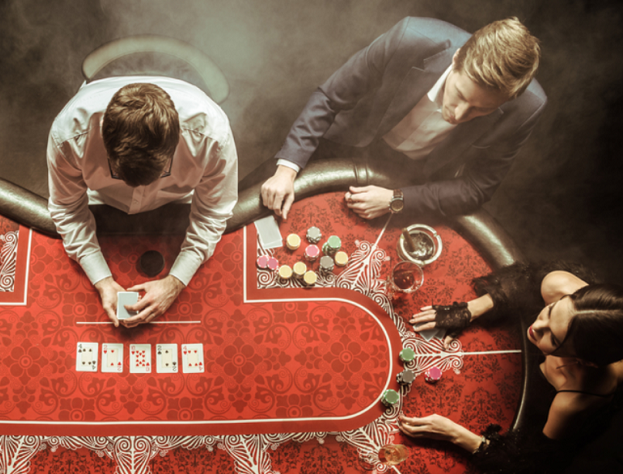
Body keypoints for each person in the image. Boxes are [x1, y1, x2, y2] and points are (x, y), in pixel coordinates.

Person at [260, 17, 546, 220]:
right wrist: (287, 170)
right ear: (457, 59)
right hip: (342, 144)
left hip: (413, 181)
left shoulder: (526, 108)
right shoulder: (410, 37)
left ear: (508, 99)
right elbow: (330, 98)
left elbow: (476, 188)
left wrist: (397, 200)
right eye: (458, 94)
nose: (457, 116)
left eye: (479, 110)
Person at [48, 78, 237, 326]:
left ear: (176, 141)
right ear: (103, 137)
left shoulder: (213, 137)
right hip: (102, 201)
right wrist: (102, 280)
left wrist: (176, 281)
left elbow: (212, 213)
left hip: (179, 202)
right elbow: (67, 208)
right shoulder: (69, 136)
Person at [400, 263, 623, 473]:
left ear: (583, 360)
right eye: (550, 311)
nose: (536, 326)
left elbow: (530, 464)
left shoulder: (573, 399)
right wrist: (472, 309)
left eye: (553, 338)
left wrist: (455, 434)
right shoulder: (558, 285)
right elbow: (525, 282)